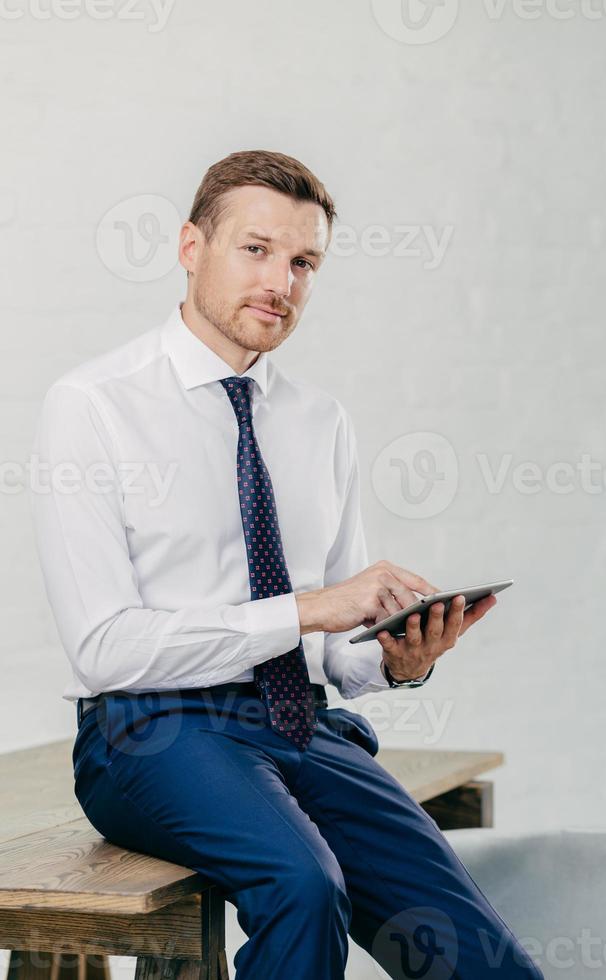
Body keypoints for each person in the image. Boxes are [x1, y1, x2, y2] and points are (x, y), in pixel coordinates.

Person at [29, 149, 543, 980]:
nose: (282, 281)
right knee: (302, 886)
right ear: (192, 247)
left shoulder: (319, 421)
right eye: (256, 249)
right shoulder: (92, 407)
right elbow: (104, 649)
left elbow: (340, 647)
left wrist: (396, 658)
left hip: (298, 723)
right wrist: (309, 608)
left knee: (479, 953)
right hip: (151, 731)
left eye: (304, 261)